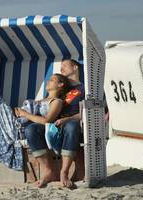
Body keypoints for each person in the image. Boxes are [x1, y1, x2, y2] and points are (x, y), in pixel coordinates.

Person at [0, 73, 70, 171]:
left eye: (52, 80)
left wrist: (25, 114)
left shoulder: (56, 101)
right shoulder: (41, 100)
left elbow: (47, 121)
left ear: (60, 85)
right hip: (16, 121)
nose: (48, 82)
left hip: (19, 129)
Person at [55, 59, 85, 188]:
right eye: (60, 67)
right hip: (55, 123)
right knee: (32, 129)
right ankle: (48, 172)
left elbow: (85, 113)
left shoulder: (84, 88)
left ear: (75, 67)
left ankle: (64, 172)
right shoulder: (60, 88)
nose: (61, 69)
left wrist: (67, 119)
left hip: (72, 123)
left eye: (65, 66)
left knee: (71, 127)